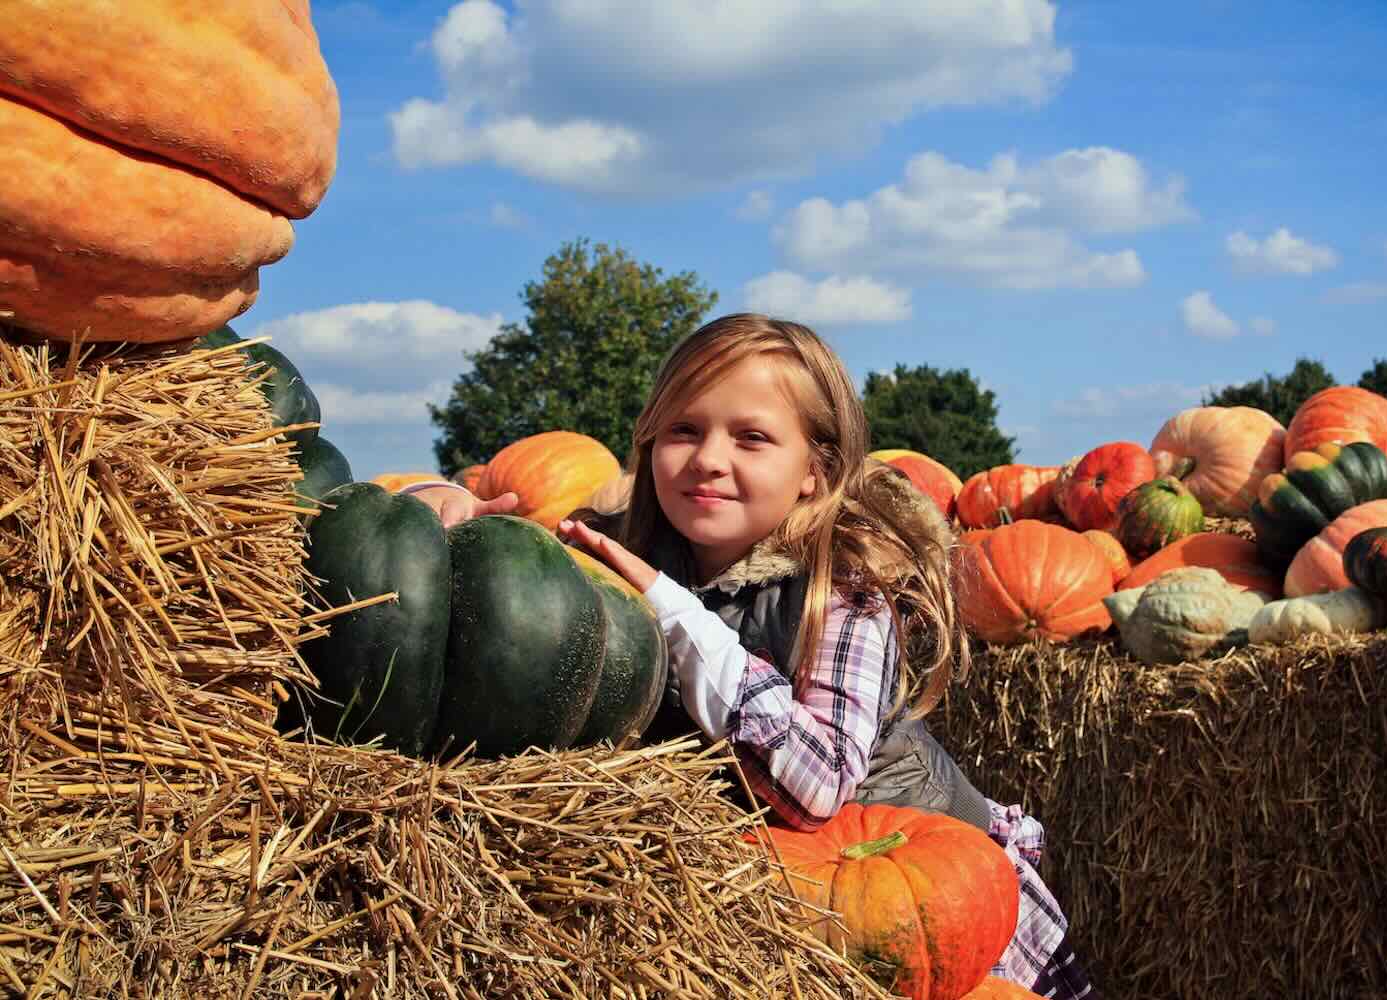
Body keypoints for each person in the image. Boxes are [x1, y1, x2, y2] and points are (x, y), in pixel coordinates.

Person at [406, 313, 1095, 997]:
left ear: (814, 474)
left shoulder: (848, 585)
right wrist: (435, 511)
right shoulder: (621, 551)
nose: (708, 458)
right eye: (684, 429)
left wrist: (675, 613)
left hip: (915, 905)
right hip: (753, 908)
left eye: (752, 438)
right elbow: (499, 607)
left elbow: (818, 788)